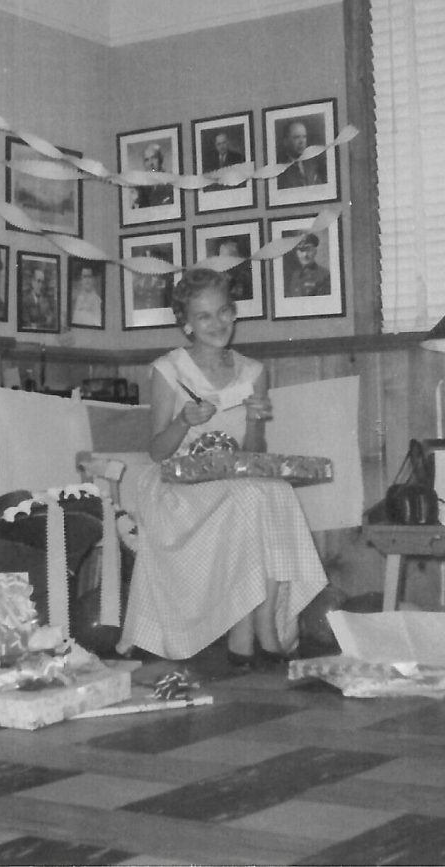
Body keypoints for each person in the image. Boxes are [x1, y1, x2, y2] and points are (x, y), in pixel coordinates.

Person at [116, 267, 327, 665]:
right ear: (187, 325)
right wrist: (184, 421)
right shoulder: (169, 370)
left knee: (272, 490)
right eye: (204, 316)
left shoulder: (253, 372)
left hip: (232, 480)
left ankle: (260, 624)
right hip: (177, 485)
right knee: (250, 495)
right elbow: (157, 452)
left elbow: (253, 455)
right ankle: (245, 633)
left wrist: (254, 419)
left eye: (224, 312)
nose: (218, 324)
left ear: (234, 312)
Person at [276, 120, 327, 189]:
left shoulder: (314, 164)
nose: (302, 141)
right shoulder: (279, 169)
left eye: (304, 137)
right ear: (286, 141)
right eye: (296, 137)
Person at [132, 143, 174, 209]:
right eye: (146, 160)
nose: (150, 163)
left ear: (161, 159)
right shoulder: (140, 187)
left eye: (153, 158)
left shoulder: (171, 181)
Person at [21, 264, 56, 329]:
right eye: (38, 281)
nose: (41, 285)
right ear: (32, 282)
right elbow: (27, 324)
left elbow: (50, 320)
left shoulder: (46, 300)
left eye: (42, 282)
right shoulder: (25, 301)